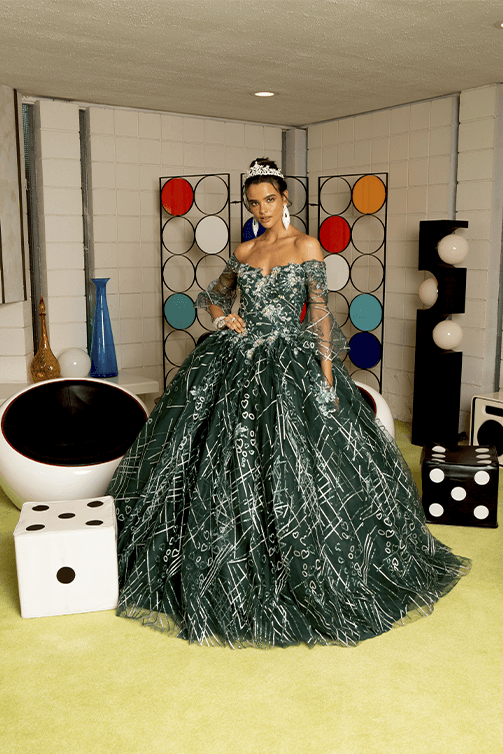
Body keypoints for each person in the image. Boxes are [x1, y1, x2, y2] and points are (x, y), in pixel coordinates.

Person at [107, 158, 470, 648]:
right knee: (219, 455)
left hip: (292, 361)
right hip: (237, 358)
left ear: (285, 200)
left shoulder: (306, 246)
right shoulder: (244, 248)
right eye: (253, 202)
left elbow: (319, 311)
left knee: (300, 458)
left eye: (269, 200)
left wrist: (325, 377)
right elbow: (214, 297)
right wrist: (224, 321)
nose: (261, 209)